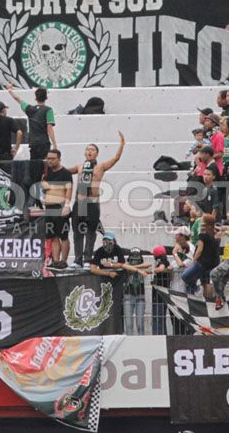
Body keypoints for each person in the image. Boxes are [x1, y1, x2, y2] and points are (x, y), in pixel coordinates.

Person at [68, 133, 126, 268]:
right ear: (84, 153)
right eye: (87, 149)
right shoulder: (79, 167)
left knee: (90, 232)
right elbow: (64, 171)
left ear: (97, 154)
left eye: (92, 149)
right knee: (77, 232)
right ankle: (77, 260)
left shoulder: (100, 167)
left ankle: (88, 259)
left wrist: (121, 145)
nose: (89, 151)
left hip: (92, 203)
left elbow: (116, 158)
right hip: (79, 202)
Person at [41, 149, 73, 268]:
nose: (50, 161)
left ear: (59, 159)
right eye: (48, 158)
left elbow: (69, 189)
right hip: (49, 208)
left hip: (60, 207)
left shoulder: (65, 173)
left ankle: (64, 261)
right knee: (52, 236)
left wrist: (67, 205)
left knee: (63, 236)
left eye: (53, 159)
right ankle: (55, 260)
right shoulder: (46, 172)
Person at [6, 84, 56, 160]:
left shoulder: (30, 109)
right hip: (43, 142)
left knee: (34, 166)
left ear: (36, 98)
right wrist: (54, 144)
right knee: (45, 166)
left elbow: (18, 99)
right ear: (46, 97)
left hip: (33, 143)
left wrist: (10, 90)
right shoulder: (48, 110)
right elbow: (49, 128)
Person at [122, 247, 151, 335]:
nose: (135, 259)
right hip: (128, 296)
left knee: (140, 324)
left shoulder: (142, 266)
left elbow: (149, 264)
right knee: (129, 324)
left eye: (137, 257)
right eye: (133, 257)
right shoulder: (126, 266)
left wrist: (134, 267)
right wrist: (134, 268)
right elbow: (123, 265)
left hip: (140, 297)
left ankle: (142, 346)